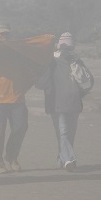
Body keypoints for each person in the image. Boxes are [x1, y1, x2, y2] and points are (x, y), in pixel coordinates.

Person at [0, 22, 46, 174]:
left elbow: (31, 60)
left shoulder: (16, 50)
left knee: (21, 127)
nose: (3, 37)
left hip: (16, 96)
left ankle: (11, 155)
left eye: (6, 34)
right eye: (1, 34)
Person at [35, 32, 94, 171]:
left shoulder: (76, 61)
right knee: (63, 133)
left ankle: (61, 158)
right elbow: (40, 83)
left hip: (74, 103)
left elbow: (84, 81)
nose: (66, 51)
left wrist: (74, 63)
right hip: (56, 104)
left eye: (69, 48)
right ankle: (69, 159)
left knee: (69, 135)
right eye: (64, 47)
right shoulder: (51, 61)